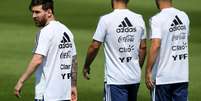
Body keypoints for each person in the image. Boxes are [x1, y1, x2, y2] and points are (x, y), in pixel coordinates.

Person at [83, 0, 147, 101]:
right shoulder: (139, 18)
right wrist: (137, 68)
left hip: (115, 80)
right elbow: (143, 48)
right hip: (134, 78)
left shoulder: (106, 19)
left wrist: (86, 65)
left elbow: (94, 46)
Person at [14, 0, 78, 101]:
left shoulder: (44, 32)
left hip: (47, 95)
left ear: (49, 12)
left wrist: (21, 81)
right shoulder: (67, 31)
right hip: (65, 94)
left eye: (37, 12)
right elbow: (73, 59)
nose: (33, 16)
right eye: (33, 12)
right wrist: (73, 85)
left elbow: (37, 59)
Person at [145, 0, 190, 101]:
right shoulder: (184, 16)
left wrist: (148, 71)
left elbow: (155, 45)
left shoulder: (156, 19)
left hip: (163, 78)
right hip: (182, 76)